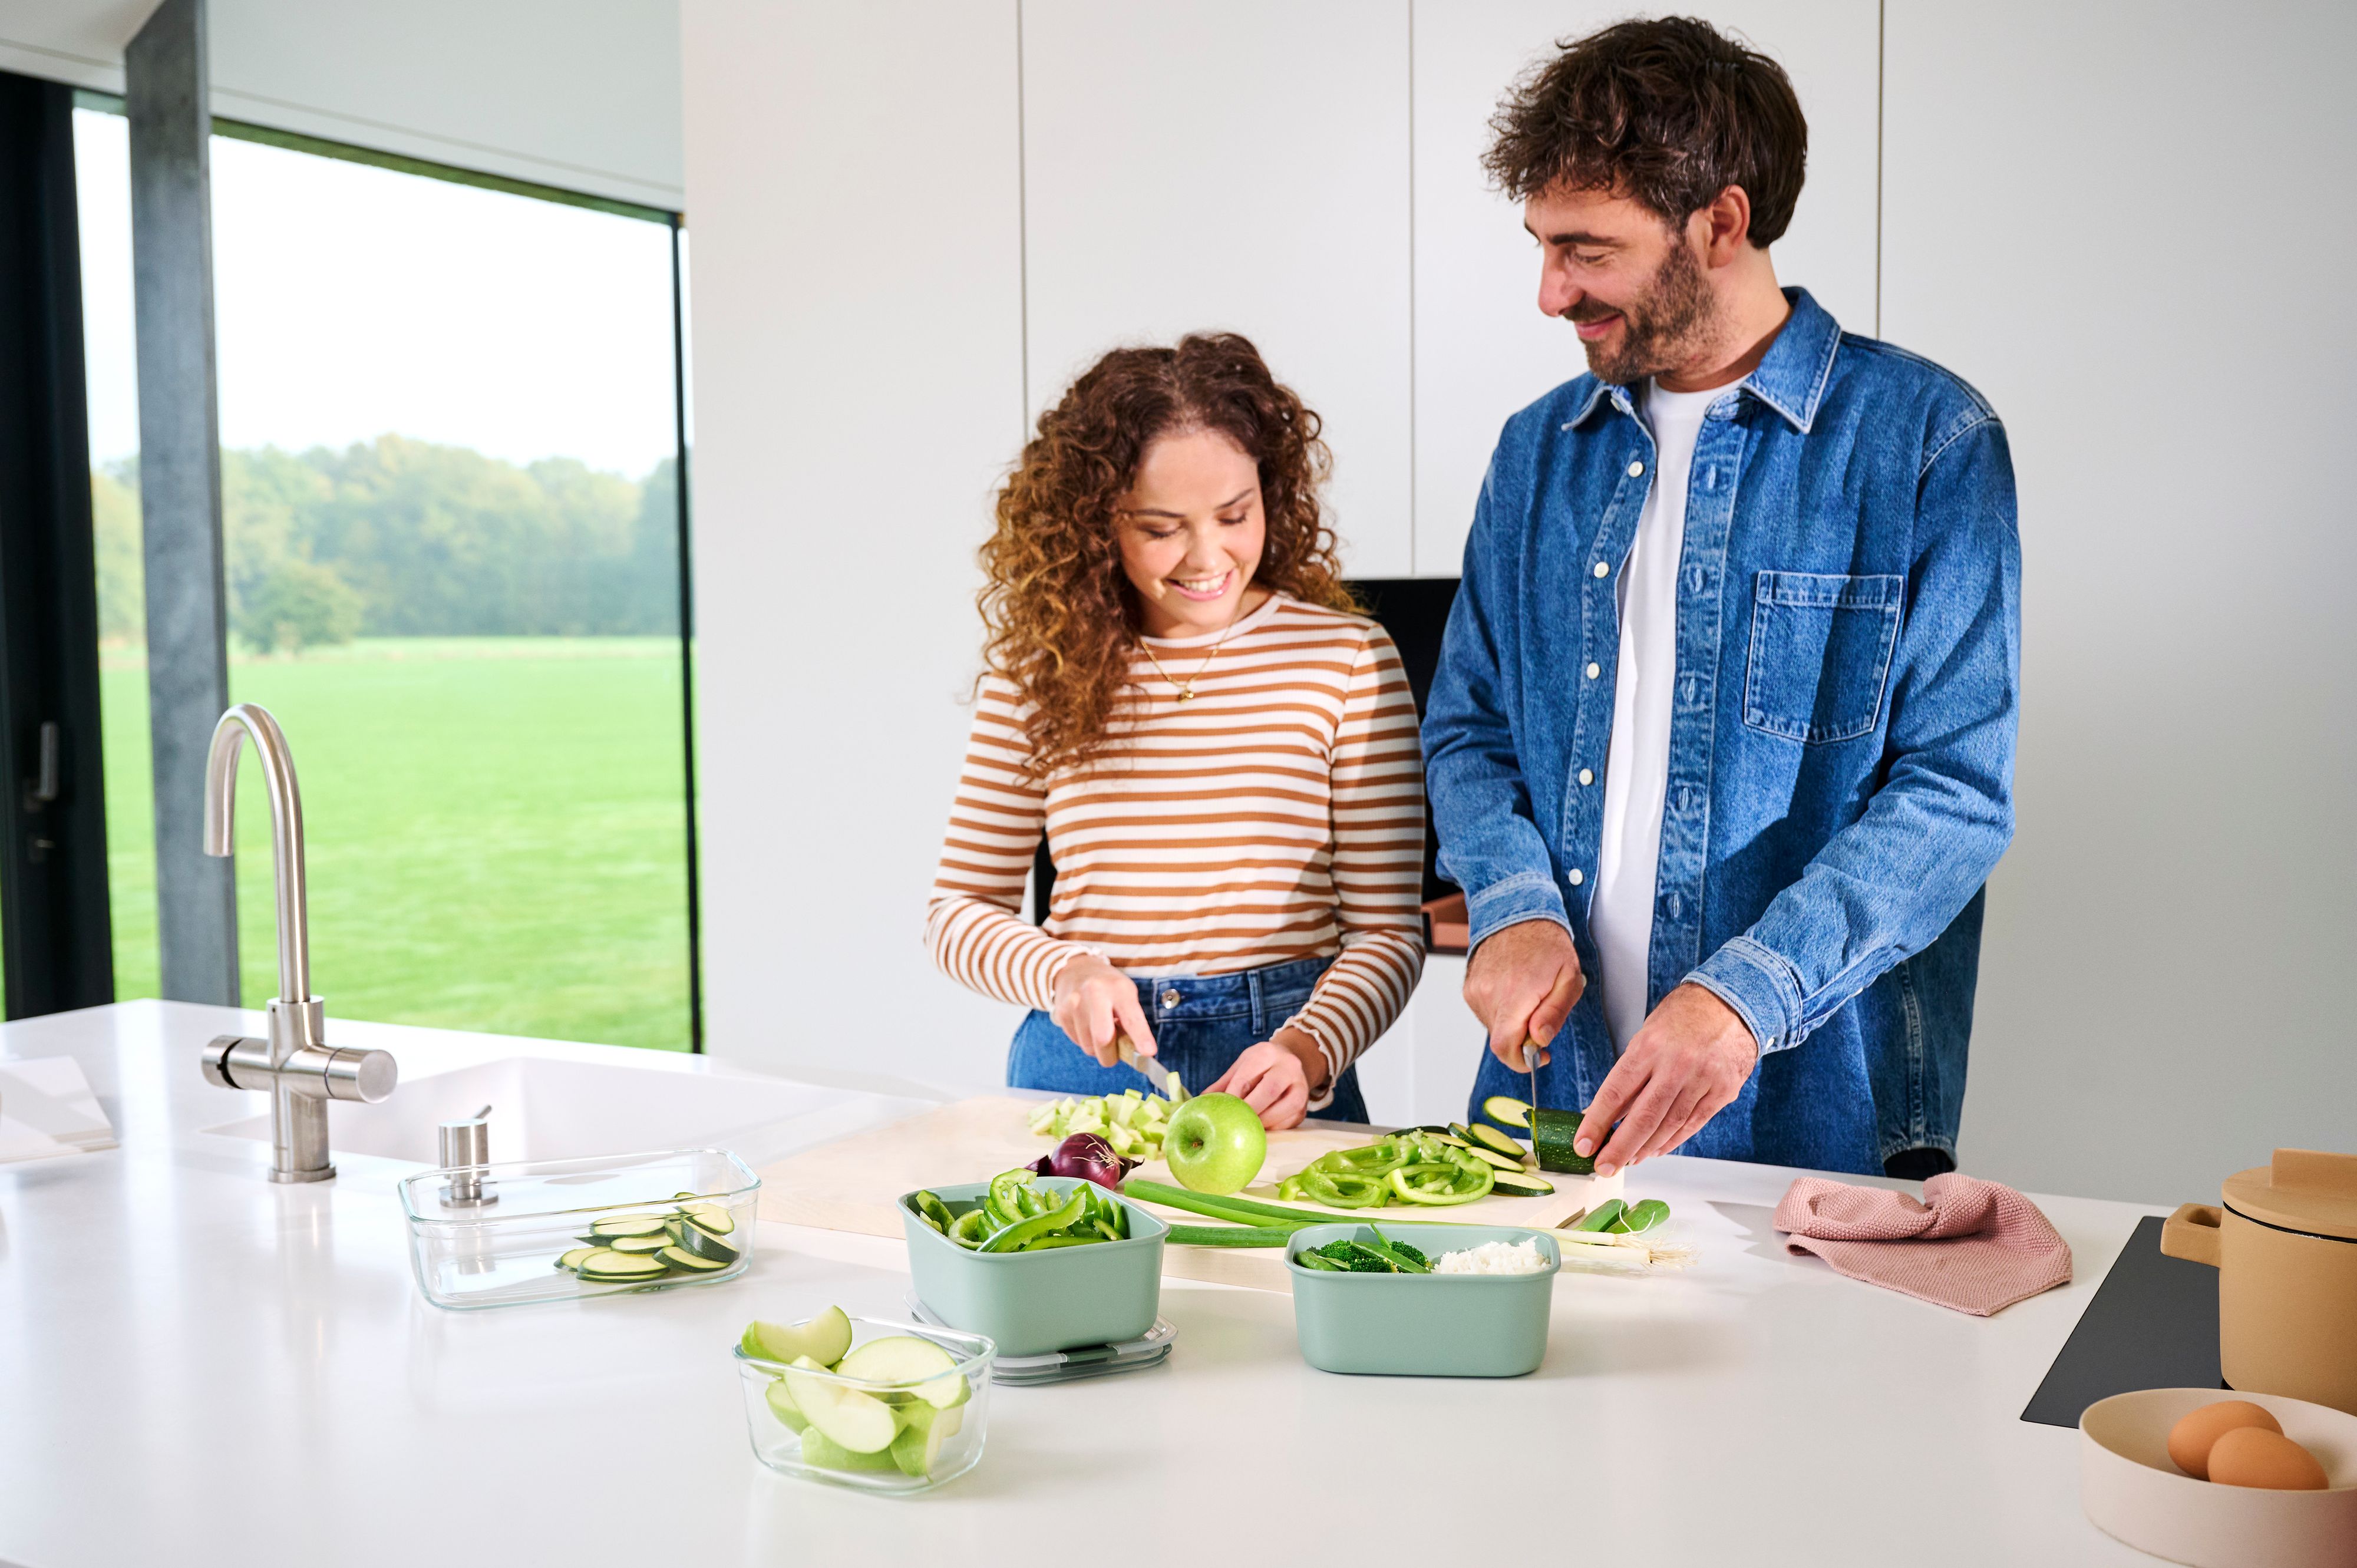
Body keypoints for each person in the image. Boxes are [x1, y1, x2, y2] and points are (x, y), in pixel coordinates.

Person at [1425, 18, 2019, 1178]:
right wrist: (1508, 903)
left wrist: (1740, 1000)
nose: (1550, 292)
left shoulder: (1926, 443)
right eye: (1543, 246)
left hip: (1819, 1117)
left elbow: (1951, 796)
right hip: (1546, 1101)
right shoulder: (1535, 452)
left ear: (1720, 223)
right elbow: (1467, 726)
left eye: (1586, 249)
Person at [925, 334, 1425, 1130]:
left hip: (1278, 1068)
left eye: (1235, 514)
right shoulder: (1040, 669)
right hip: (1081, 1071)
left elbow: (1390, 934)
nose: (1208, 555)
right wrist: (1065, 972)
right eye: (1161, 527)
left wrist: (1307, 1048)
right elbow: (958, 912)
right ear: (1098, 525)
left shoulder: (1348, 659)